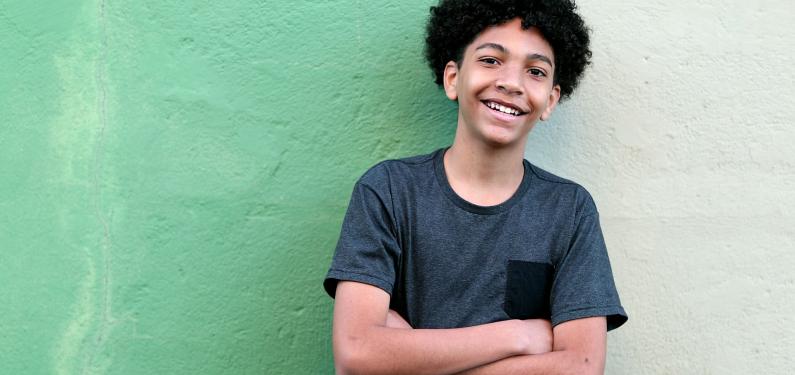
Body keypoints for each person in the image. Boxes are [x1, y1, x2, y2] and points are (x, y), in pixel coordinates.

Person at [323, 0, 628, 373]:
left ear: (550, 100)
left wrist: (407, 359)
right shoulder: (387, 191)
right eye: (490, 60)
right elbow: (357, 354)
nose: (511, 83)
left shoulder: (569, 209)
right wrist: (518, 336)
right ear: (453, 78)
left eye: (535, 70)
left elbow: (580, 366)